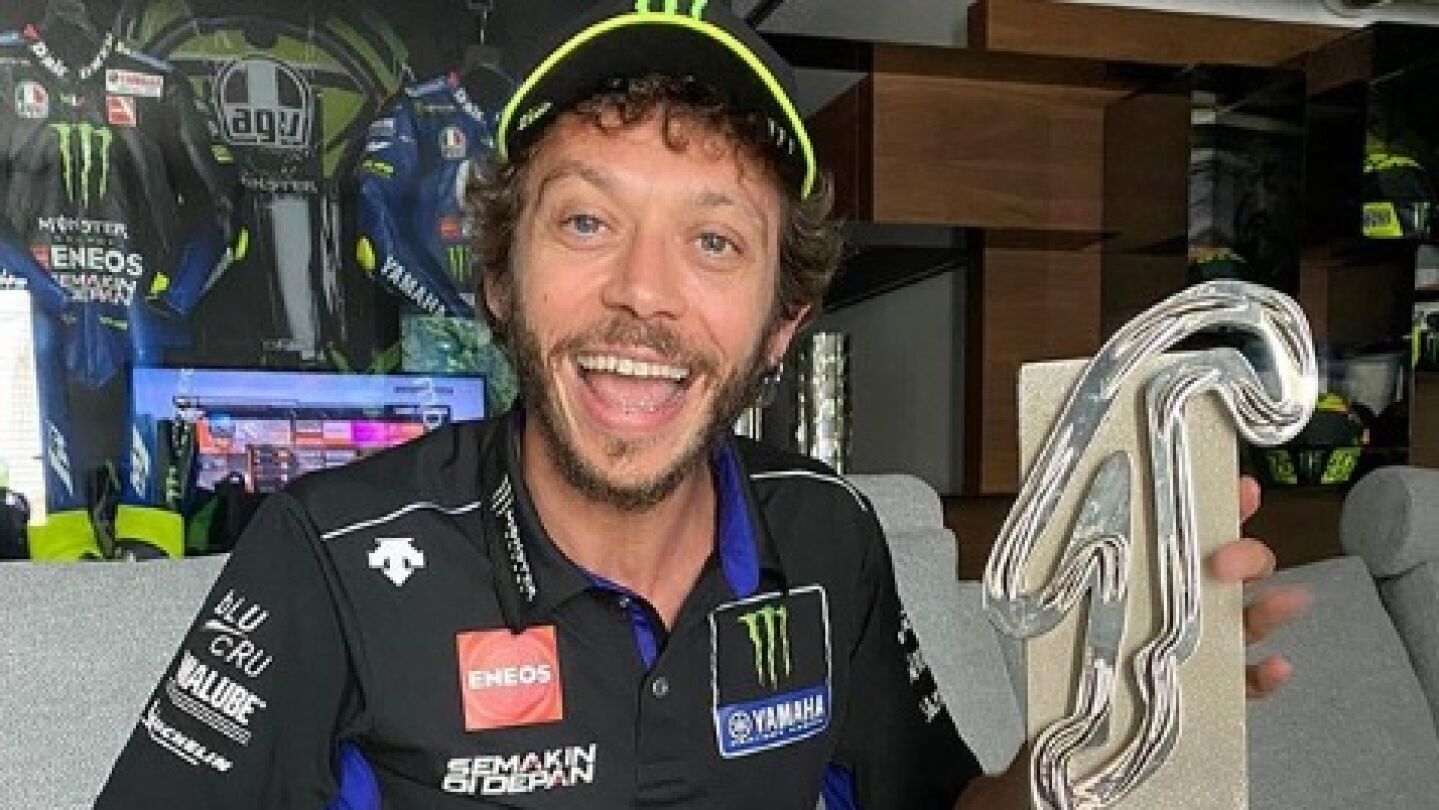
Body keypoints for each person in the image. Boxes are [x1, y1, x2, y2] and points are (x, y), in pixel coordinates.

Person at [95, 1, 1308, 807]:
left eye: (714, 241)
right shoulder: (327, 552)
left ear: (781, 322)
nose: (642, 291)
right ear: (500, 280)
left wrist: (1109, 717)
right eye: (585, 221)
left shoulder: (826, 534)